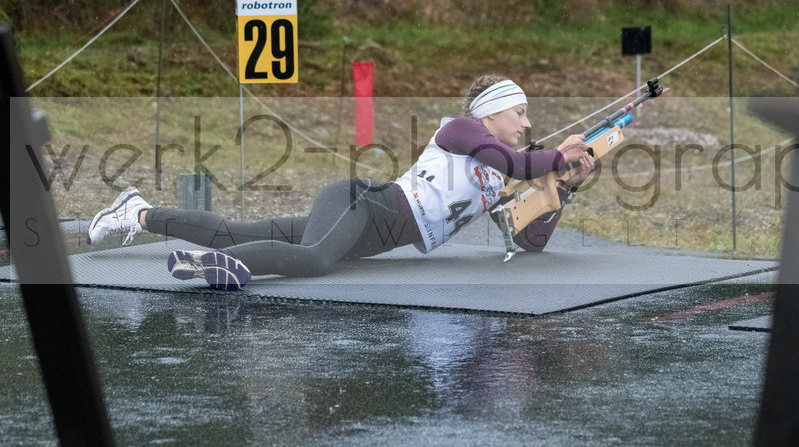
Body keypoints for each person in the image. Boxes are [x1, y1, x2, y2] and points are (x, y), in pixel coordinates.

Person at [86, 75, 594, 290]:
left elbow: (530, 239)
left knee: (232, 230)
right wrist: (554, 156)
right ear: (491, 111)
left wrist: (564, 185)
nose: (528, 124)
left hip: (365, 235)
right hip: (362, 205)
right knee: (311, 261)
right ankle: (207, 267)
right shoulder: (461, 130)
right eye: (521, 112)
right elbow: (520, 163)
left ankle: (138, 212)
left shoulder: (505, 167)